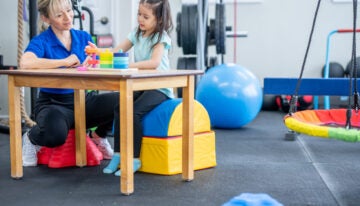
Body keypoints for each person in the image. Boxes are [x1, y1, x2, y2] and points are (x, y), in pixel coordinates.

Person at [20, 0, 118, 167]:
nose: (67, 17)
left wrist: (96, 60)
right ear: (46, 18)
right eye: (59, 15)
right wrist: (64, 61)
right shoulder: (42, 40)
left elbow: (96, 62)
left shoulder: (83, 37)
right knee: (55, 135)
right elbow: (25, 62)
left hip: (82, 101)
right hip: (53, 104)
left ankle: (98, 136)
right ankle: (31, 138)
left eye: (68, 10)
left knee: (122, 100)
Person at [86, 0, 174, 176]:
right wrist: (99, 52)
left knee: (133, 112)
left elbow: (155, 62)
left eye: (146, 16)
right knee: (119, 108)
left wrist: (129, 65)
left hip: (159, 87)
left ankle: (134, 159)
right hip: (142, 84)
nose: (140, 19)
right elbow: (117, 51)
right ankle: (118, 155)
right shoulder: (136, 33)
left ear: (159, 19)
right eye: (139, 14)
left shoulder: (161, 38)